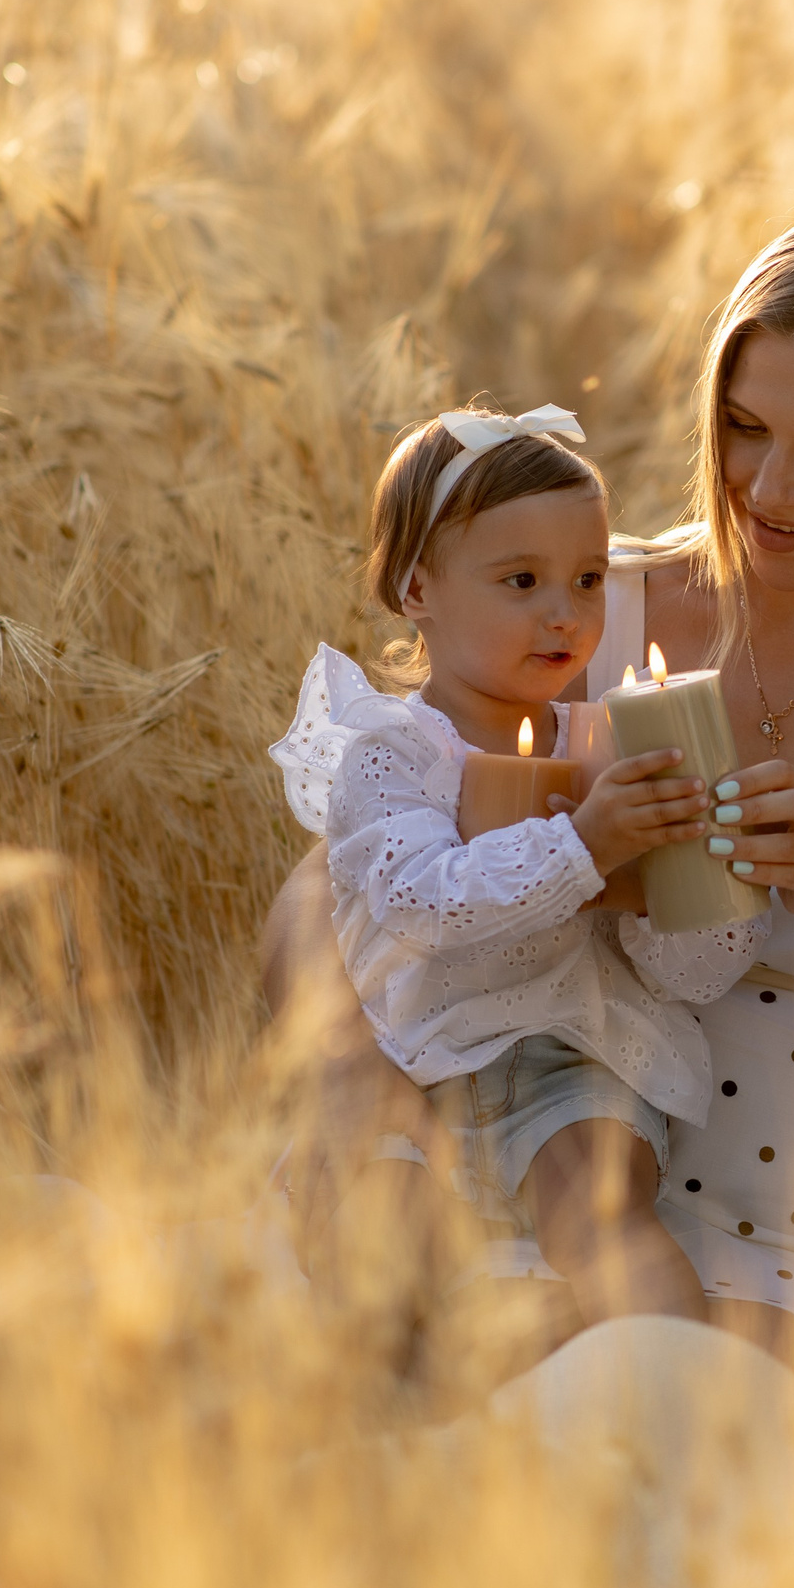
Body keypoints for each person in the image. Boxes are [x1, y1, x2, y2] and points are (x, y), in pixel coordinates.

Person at [268, 206, 794, 1387]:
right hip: (563, 1192)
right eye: (745, 428)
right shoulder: (600, 608)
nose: (770, 486)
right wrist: (353, 1087)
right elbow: (352, 855)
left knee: (658, 1414)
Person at [265, 405, 763, 1329]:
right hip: (404, 1059)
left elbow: (697, 973)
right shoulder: (388, 752)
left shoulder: (616, 745)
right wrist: (585, 847)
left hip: (565, 1060)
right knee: (376, 1234)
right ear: (419, 589)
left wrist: (691, 869)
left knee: (605, 1215)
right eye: (522, 579)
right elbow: (421, 902)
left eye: (587, 579)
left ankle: (681, 1386)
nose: (565, 613)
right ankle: (413, 1415)